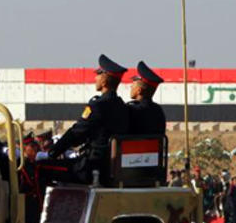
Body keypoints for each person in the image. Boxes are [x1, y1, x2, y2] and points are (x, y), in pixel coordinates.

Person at [36, 55, 130, 188]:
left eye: (98, 74)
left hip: (91, 167)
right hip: (112, 167)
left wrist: (52, 152)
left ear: (104, 80)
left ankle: (42, 209)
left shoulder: (98, 106)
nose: (95, 78)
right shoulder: (123, 107)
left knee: (38, 168)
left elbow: (77, 133)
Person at [126, 61, 166, 135]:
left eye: (133, 84)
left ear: (139, 90)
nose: (131, 86)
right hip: (153, 147)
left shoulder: (131, 110)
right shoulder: (158, 111)